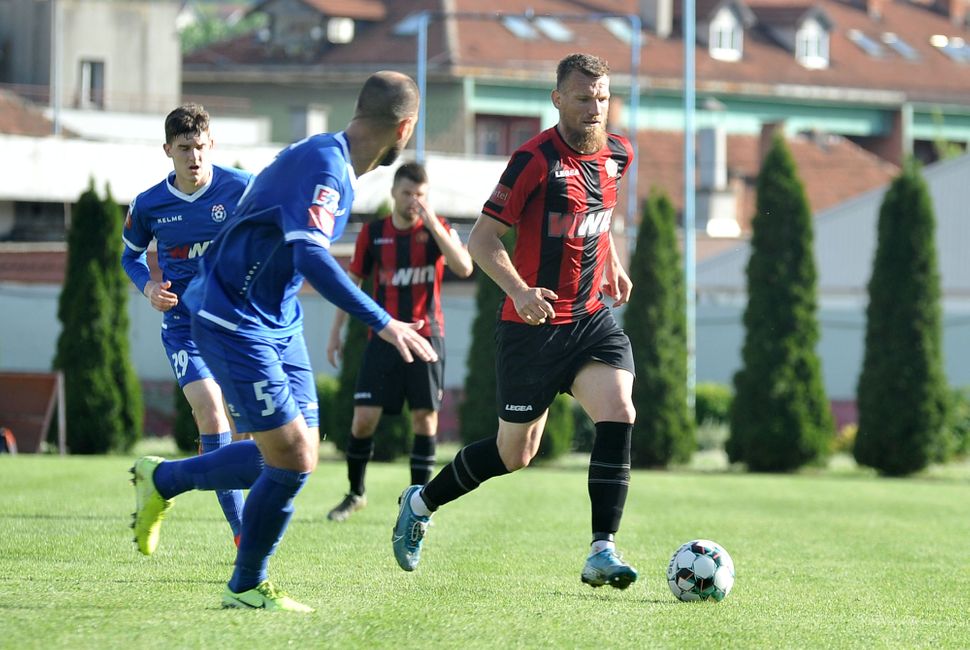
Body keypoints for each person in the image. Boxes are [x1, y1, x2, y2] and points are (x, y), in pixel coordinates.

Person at [129, 71, 435, 613]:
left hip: (278, 321)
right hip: (231, 317)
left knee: (299, 454)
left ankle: (165, 479)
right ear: (404, 127)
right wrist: (385, 322)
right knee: (290, 456)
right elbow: (311, 255)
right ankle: (246, 585)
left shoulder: (330, 162)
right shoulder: (325, 166)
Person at [392, 53, 639, 590]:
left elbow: (601, 218)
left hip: (591, 320)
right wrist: (521, 291)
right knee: (514, 454)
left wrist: (613, 264)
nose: (595, 108)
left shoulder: (619, 154)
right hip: (532, 330)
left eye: (602, 97)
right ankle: (420, 501)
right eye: (582, 98)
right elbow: (480, 240)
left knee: (619, 409)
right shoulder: (532, 161)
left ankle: (602, 549)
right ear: (557, 99)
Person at [122, 104, 253, 547]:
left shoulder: (242, 188)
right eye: (184, 149)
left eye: (200, 147)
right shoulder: (149, 204)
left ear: (211, 144)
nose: (194, 157)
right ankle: (242, 535)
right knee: (210, 411)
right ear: (167, 151)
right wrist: (148, 288)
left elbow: (268, 237)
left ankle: (163, 481)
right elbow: (130, 256)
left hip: (236, 324)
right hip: (184, 327)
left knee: (251, 434)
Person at [325, 161, 473, 522]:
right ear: (394, 193)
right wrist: (335, 333)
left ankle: (418, 505)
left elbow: (465, 267)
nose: (413, 201)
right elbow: (352, 284)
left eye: (420, 195)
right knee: (363, 420)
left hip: (427, 338)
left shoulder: (438, 232)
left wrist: (434, 222)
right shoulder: (374, 234)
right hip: (383, 338)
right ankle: (355, 493)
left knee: (425, 419)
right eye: (407, 193)